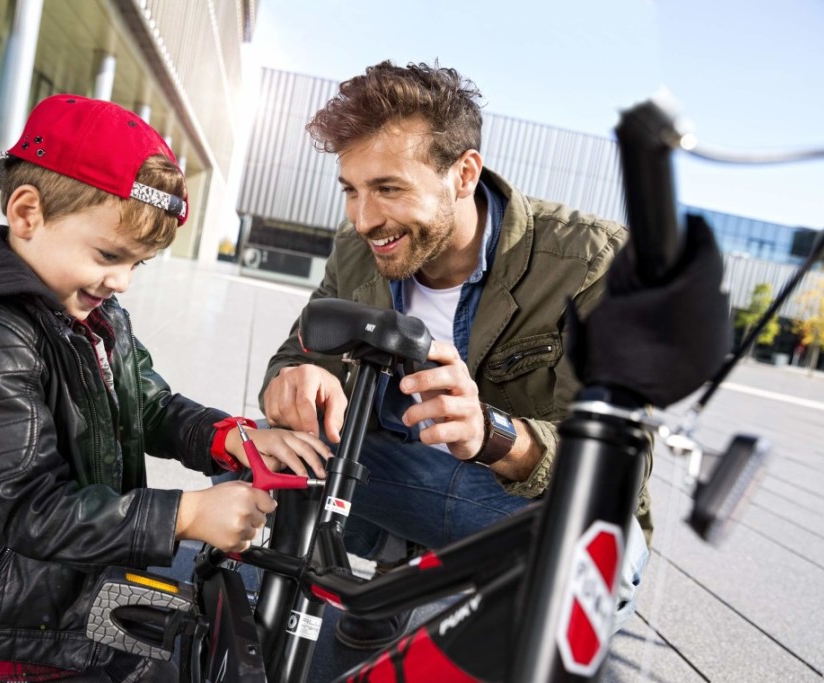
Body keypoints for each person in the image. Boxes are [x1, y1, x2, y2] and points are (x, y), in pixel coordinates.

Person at [0, 94, 330, 682]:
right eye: (109, 255)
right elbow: (30, 509)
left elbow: (145, 403)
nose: (122, 281)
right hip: (5, 613)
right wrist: (183, 514)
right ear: (27, 214)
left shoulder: (88, 312)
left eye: (138, 265)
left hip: (71, 579)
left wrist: (227, 438)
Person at [259, 61, 652, 649]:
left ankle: (430, 591)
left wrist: (493, 435)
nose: (365, 219)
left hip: (502, 502)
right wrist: (292, 378)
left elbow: (622, 459)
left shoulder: (594, 262)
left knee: (603, 560)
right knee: (264, 456)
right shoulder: (357, 248)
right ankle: (393, 569)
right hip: (392, 476)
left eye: (389, 188)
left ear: (464, 174)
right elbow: (295, 351)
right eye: (352, 190)